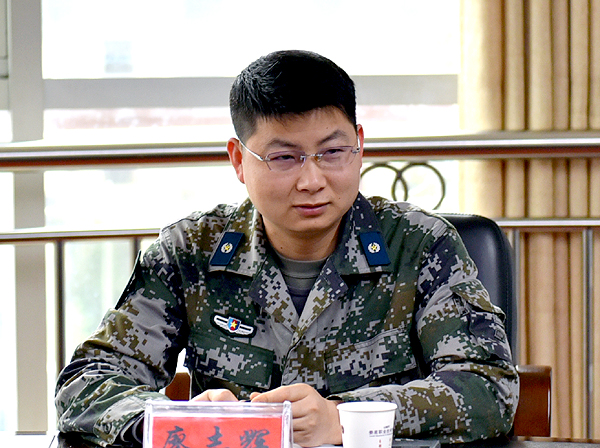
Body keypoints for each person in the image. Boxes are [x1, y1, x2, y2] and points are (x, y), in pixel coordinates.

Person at [55, 50, 519, 447]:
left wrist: (342, 418)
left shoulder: (421, 246)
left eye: (332, 152)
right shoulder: (190, 252)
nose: (312, 180)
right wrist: (181, 421)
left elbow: (489, 386)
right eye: (284, 158)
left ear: (359, 145)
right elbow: (85, 384)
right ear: (239, 160)